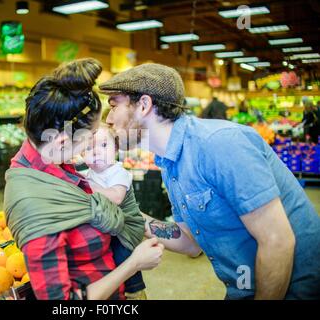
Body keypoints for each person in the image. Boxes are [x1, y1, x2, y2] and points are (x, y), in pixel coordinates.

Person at [99, 62, 320, 300]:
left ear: (144, 105)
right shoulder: (169, 161)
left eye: (113, 106)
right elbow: (190, 241)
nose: (109, 119)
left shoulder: (219, 144)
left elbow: (278, 241)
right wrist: (126, 215)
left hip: (295, 288)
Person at [3, 58, 164, 300]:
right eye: (88, 138)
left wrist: (173, 233)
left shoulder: (54, 160)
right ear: (61, 141)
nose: (91, 146)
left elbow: (105, 206)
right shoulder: (36, 205)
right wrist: (132, 265)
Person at [83, 125, 146, 299]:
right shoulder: (88, 174)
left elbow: (116, 197)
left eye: (104, 146)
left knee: (120, 251)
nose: (96, 152)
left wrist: (88, 187)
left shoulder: (118, 172)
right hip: (109, 224)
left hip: (127, 227)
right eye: (88, 148)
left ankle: (135, 289)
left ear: (116, 149)